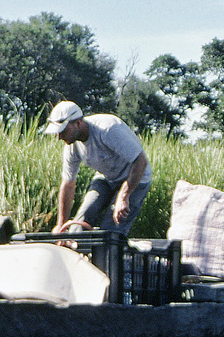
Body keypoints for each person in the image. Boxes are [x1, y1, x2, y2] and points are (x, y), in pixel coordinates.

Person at [43, 100, 151, 235]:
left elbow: (141, 161)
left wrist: (124, 196)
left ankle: (109, 250)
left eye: (63, 131)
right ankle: (79, 250)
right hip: (105, 178)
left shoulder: (108, 130)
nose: (59, 137)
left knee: (111, 230)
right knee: (79, 224)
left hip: (136, 178)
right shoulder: (71, 147)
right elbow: (68, 184)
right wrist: (61, 226)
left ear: (78, 123)